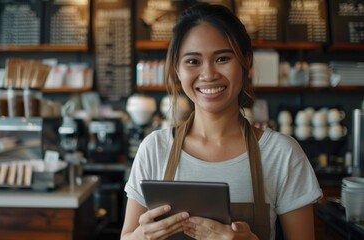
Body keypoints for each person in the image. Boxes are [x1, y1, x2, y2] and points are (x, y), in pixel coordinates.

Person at [121, 3, 322, 240]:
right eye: (193, 61)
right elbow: (127, 236)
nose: (208, 75)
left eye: (222, 58)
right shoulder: (154, 149)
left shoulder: (282, 153)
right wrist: (141, 236)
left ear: (246, 63)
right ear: (177, 69)